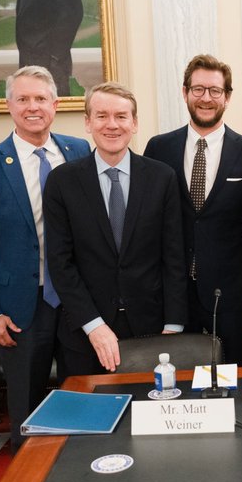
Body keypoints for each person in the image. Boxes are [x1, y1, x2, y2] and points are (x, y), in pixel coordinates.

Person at [0, 65, 90, 452]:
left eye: (40, 99)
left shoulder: (79, 151)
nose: (32, 107)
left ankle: (84, 478)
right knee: (28, 410)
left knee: (82, 397)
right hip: (19, 309)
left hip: (75, 300)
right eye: (23, 99)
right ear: (9, 105)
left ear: (55, 103)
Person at [44, 82, 187, 373]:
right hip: (85, 332)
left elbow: (174, 256)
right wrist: (94, 326)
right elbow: (60, 263)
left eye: (121, 117)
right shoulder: (62, 181)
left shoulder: (162, 177)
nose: (112, 125)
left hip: (152, 330)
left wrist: (173, 325)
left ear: (134, 124)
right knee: (89, 417)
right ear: (88, 122)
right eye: (101, 116)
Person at [143, 54, 242, 366]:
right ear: (185, 93)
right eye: (198, 90)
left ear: (227, 96)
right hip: (171, 294)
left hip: (231, 297)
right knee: (175, 380)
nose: (206, 98)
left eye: (215, 90)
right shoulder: (158, 149)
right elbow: (145, 226)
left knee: (231, 381)